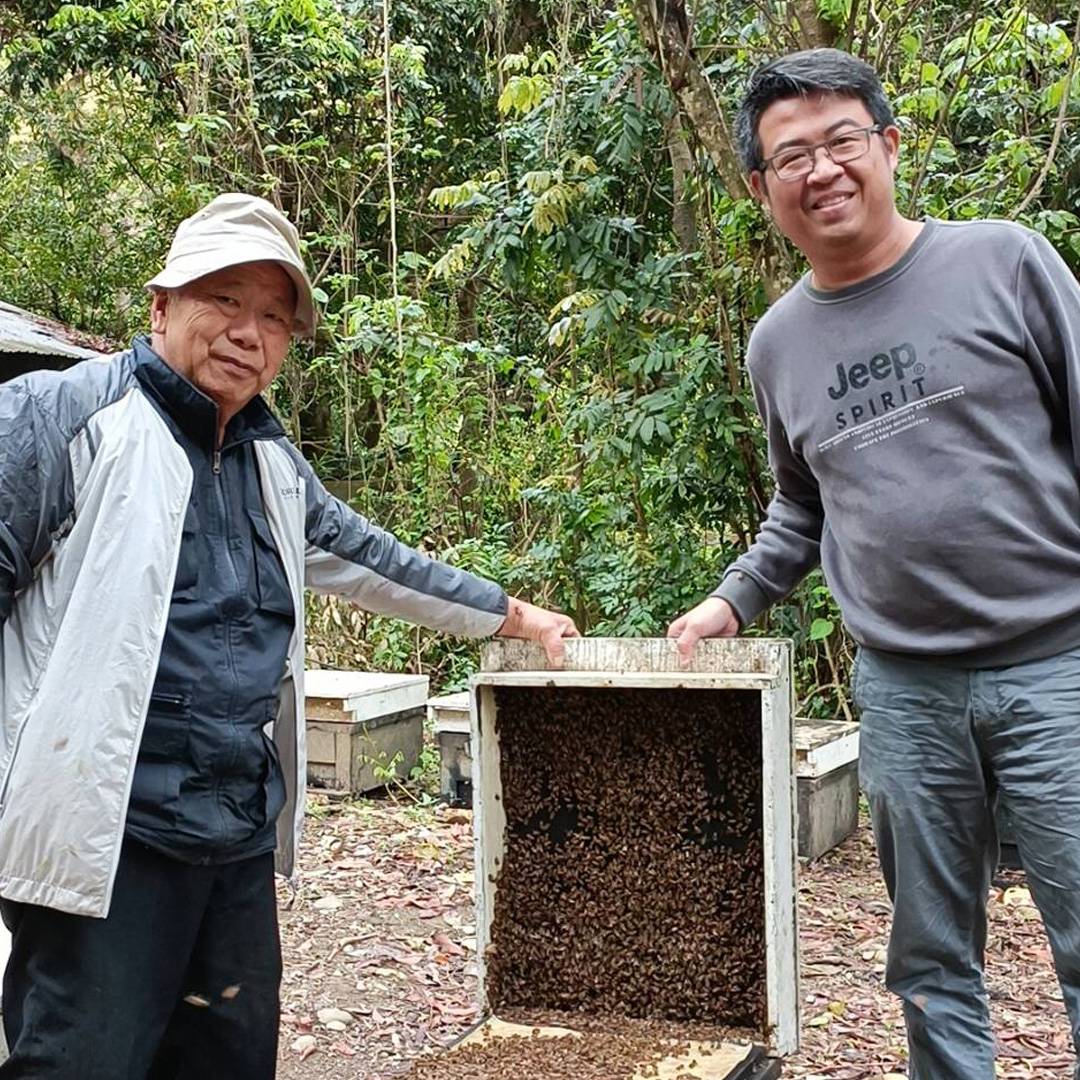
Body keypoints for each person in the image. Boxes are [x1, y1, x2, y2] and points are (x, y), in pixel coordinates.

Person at [0, 192, 577, 1078]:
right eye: (224, 299)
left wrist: (514, 614)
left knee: (228, 1057)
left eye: (273, 316)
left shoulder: (272, 462)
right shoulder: (59, 418)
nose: (248, 333)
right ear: (161, 305)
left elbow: (376, 560)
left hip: (235, 835)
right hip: (104, 842)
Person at [667, 48, 1080, 1080]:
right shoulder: (777, 344)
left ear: (889, 145)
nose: (822, 170)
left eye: (842, 140)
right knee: (931, 959)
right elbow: (801, 507)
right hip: (904, 690)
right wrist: (731, 602)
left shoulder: (1006, 261)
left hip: (1059, 665)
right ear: (761, 188)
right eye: (790, 156)